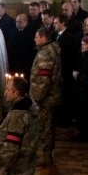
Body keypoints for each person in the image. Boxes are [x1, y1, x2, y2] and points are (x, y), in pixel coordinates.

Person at [29, 27, 62, 166]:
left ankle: (45, 156)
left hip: (45, 98)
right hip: (51, 96)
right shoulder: (52, 49)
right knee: (48, 126)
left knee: (44, 127)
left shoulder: (45, 53)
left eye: (36, 36)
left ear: (43, 37)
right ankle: (47, 153)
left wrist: (38, 97)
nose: (34, 39)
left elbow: (44, 78)